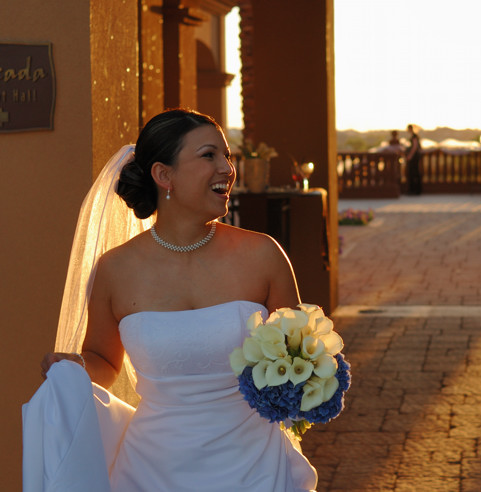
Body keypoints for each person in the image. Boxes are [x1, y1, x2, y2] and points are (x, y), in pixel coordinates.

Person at [24, 108, 318, 491]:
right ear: (164, 175)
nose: (228, 169)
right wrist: (73, 366)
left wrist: (313, 379)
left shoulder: (263, 255)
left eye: (227, 156)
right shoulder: (115, 269)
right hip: (152, 469)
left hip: (255, 467)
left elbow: (300, 357)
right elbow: (105, 362)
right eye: (209, 155)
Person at [405, 124, 422, 194]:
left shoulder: (414, 136)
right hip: (415, 156)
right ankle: (415, 190)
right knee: (414, 172)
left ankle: (415, 190)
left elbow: (415, 147)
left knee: (414, 172)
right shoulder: (414, 136)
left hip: (414, 157)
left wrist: (410, 155)